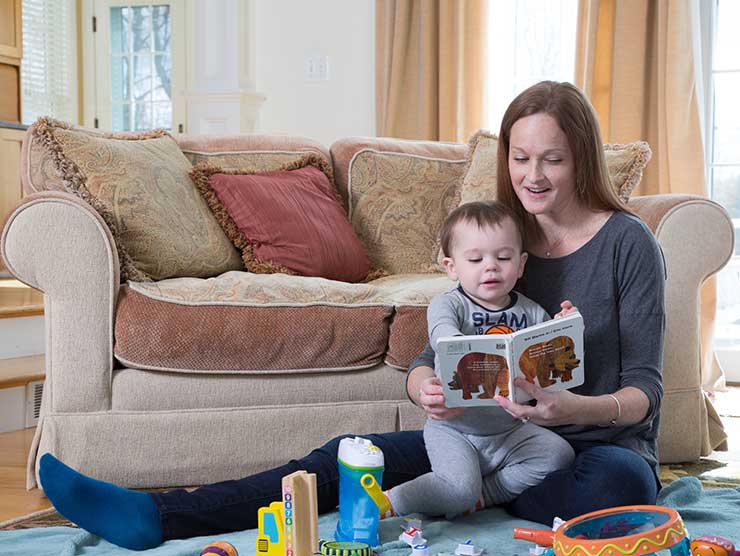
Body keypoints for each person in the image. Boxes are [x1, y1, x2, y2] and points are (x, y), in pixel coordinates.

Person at [38, 80, 665, 550]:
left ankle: (474, 498)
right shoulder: (497, 237)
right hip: (478, 438)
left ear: (582, 156)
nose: (532, 175)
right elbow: (448, 348)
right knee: (347, 457)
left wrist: (574, 409)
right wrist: (422, 380)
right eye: (520, 157)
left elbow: (644, 389)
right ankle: (161, 516)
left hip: (589, 447)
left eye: (551, 159)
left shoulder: (627, 242)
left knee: (616, 489)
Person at [383, 200, 576, 519]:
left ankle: (486, 494)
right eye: (475, 259)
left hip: (509, 430)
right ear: (452, 267)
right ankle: (391, 501)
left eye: (503, 257)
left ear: (521, 264)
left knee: (559, 455)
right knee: (457, 490)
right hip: (455, 429)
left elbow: (550, 361)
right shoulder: (449, 305)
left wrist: (564, 326)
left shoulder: (531, 312)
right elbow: (443, 335)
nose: (491, 266)